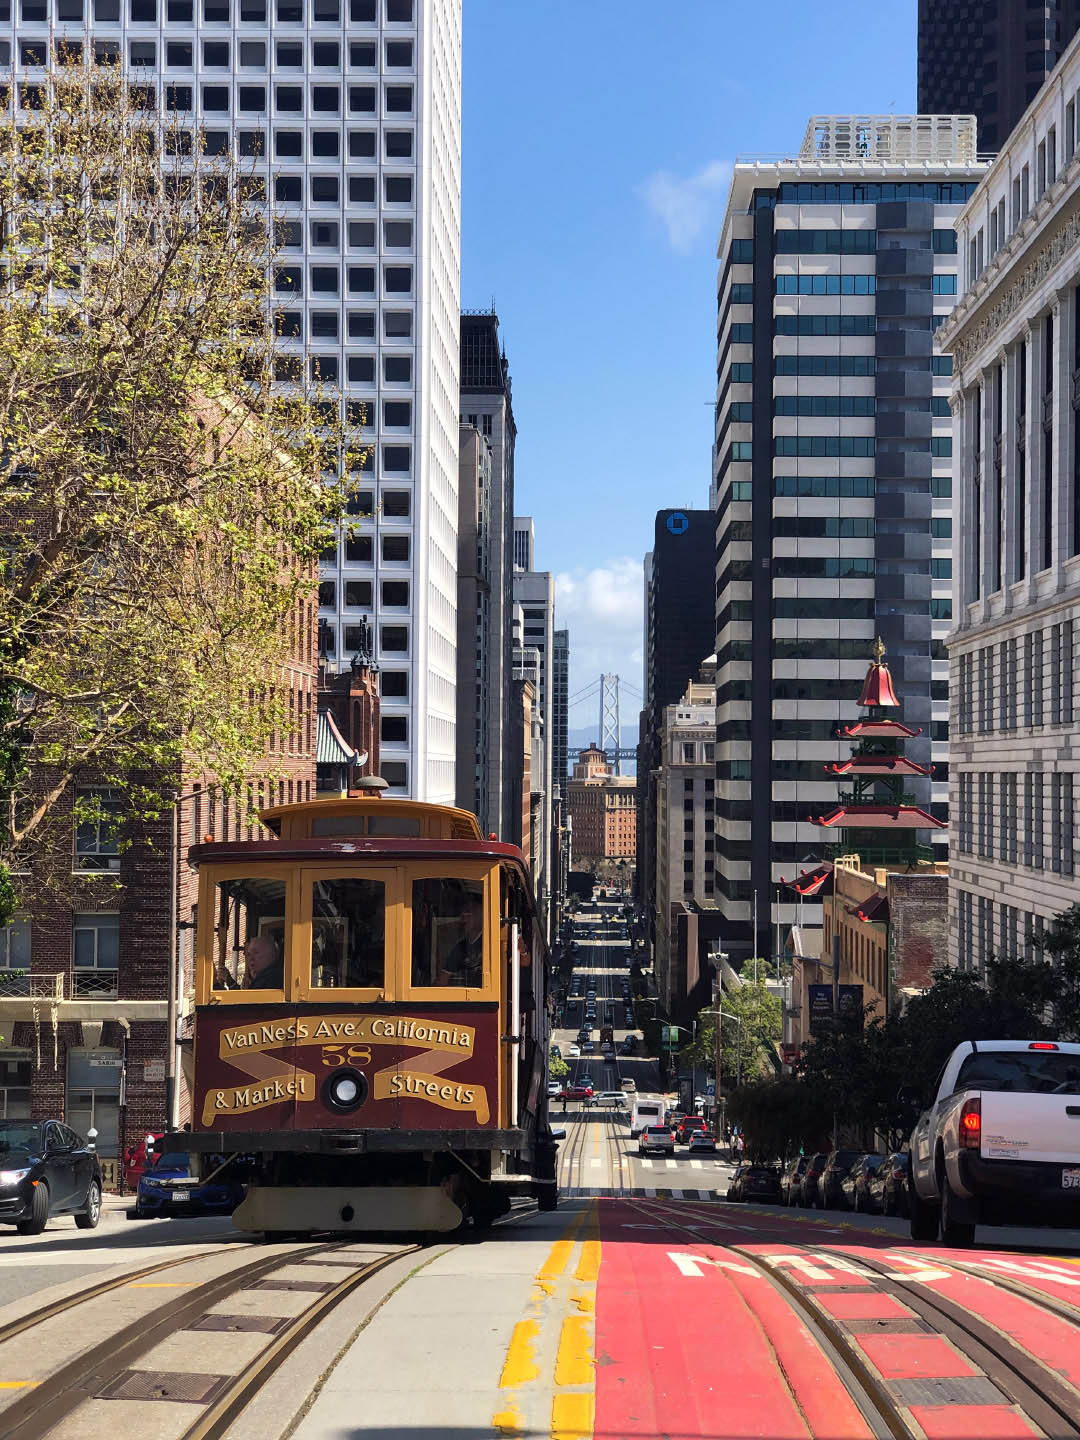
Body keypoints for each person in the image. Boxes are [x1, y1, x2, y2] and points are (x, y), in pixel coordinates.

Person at [438, 890, 484, 985]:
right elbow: (442, 980)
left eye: (468, 913)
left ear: (480, 914)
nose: (463, 919)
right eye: (462, 914)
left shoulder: (491, 944)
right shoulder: (460, 948)